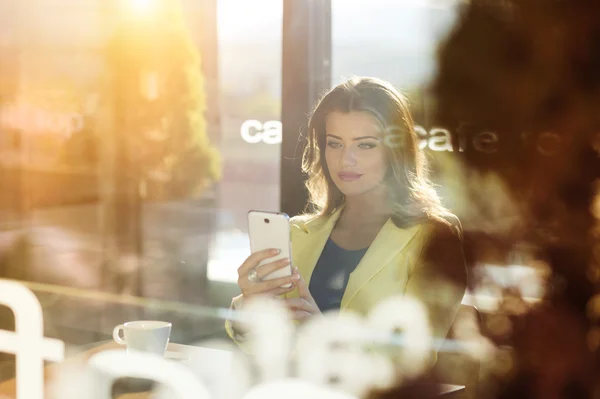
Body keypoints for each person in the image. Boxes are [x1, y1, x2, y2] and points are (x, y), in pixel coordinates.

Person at [226, 77, 467, 361]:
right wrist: (251, 308)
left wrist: (323, 334)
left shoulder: (435, 237)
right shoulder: (297, 233)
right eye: (334, 143)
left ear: (396, 150)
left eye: (364, 145)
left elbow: (413, 359)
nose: (346, 160)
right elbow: (261, 349)